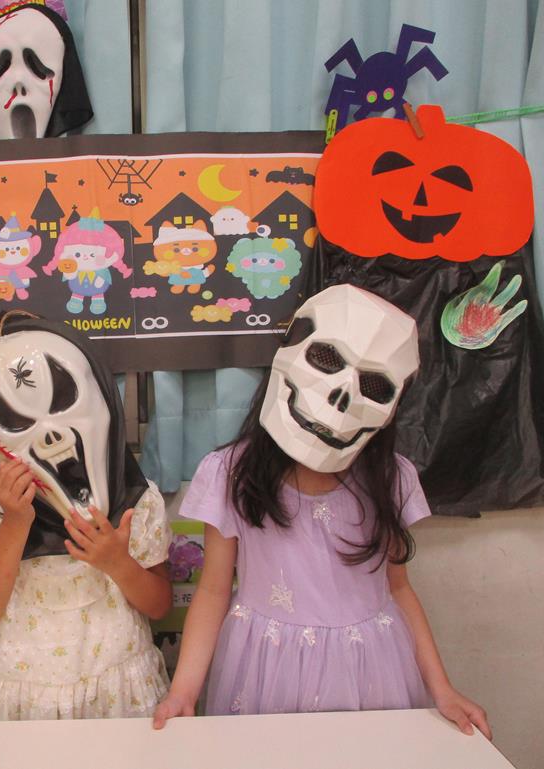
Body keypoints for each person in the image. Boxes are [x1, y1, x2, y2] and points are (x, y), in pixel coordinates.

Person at [152, 285, 491, 739]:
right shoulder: (231, 474)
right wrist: (183, 691)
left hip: (369, 667)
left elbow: (399, 588)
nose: (342, 396)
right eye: (328, 360)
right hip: (265, 668)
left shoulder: (390, 479)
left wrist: (442, 689)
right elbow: (213, 591)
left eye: (375, 386)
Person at [0, 314, 171, 720]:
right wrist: (15, 522)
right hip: (24, 710)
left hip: (118, 700)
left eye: (63, 401)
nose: (51, 435)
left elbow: (159, 606)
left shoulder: (134, 507)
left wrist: (118, 563)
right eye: (18, 422)